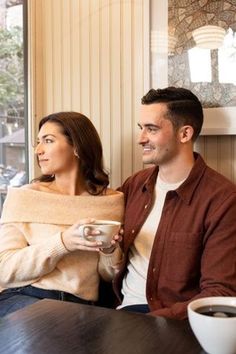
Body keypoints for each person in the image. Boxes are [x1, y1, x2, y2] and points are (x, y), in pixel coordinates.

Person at [113, 87, 236, 320]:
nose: (141, 139)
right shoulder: (135, 185)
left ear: (185, 134)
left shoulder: (223, 200)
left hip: (174, 324)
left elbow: (219, 291)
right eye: (141, 129)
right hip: (122, 314)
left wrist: (157, 321)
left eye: (151, 129)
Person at [0, 111, 124, 317]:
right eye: (38, 142)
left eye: (48, 141)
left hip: (81, 305)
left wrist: (109, 250)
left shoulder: (111, 202)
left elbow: (107, 275)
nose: (38, 150)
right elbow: (4, 269)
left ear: (76, 146)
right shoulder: (24, 197)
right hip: (25, 297)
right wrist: (63, 243)